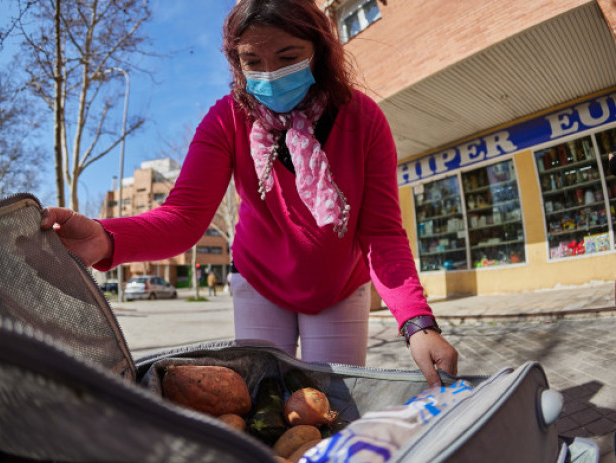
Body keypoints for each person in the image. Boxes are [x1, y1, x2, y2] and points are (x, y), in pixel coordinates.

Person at [41, 0, 458, 387]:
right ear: (236, 63)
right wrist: (105, 236)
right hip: (259, 284)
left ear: (321, 51)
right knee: (265, 403)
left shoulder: (365, 120)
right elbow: (184, 217)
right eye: (252, 62)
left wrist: (418, 325)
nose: (271, 75)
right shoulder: (227, 120)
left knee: (335, 405)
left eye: (289, 57)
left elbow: (382, 235)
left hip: (340, 288)